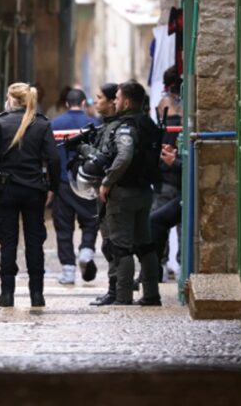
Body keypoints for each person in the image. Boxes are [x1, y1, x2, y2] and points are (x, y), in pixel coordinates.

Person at [0, 83, 60, 307]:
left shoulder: (0, 123)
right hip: (34, 190)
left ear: (12, 100)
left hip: (6, 190)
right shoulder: (42, 124)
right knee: (35, 243)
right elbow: (54, 159)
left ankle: (7, 294)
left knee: (7, 242)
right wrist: (52, 187)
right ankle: (37, 294)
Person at [98, 81, 162, 306]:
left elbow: (124, 155)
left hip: (124, 193)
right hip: (144, 192)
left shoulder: (125, 126)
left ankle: (123, 296)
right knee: (145, 244)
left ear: (126, 101)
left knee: (121, 247)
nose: (114, 101)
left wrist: (107, 182)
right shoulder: (148, 124)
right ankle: (151, 294)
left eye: (116, 97)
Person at [80, 82, 124, 306]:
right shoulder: (106, 126)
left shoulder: (115, 127)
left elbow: (103, 159)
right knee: (111, 243)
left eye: (99, 98)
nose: (95, 102)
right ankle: (115, 289)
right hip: (107, 192)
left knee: (114, 244)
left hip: (113, 192)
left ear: (110, 101)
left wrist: (83, 149)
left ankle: (117, 291)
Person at [51, 88, 99, 284]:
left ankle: (68, 271)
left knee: (63, 227)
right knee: (90, 222)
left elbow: (49, 156)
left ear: (66, 104)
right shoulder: (95, 124)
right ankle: (86, 252)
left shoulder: (54, 124)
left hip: (63, 183)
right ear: (84, 104)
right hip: (87, 183)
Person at [150, 66, 183, 279]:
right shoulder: (184, 110)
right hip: (180, 175)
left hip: (164, 178)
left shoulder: (161, 108)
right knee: (182, 226)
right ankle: (182, 267)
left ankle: (159, 267)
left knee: (158, 223)